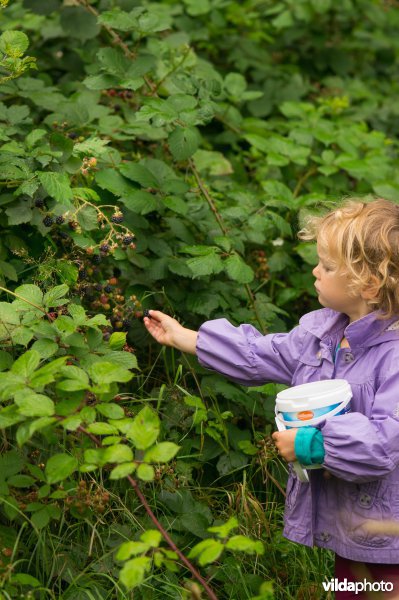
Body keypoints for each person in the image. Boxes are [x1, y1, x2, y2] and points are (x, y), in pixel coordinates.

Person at [144, 198, 399, 598]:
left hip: (389, 534)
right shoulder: (325, 336)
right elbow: (263, 353)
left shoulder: (394, 354)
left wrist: (311, 444)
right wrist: (187, 338)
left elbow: (385, 440)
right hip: (354, 523)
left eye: (328, 267)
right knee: (349, 588)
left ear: (368, 283)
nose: (315, 271)